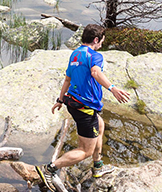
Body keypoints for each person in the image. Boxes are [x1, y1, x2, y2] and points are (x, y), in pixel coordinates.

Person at [41, 23, 130, 182]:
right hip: (85, 107)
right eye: (101, 40)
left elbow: (67, 79)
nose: (102, 44)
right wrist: (113, 88)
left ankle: (98, 167)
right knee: (85, 150)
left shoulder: (75, 54)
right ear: (96, 39)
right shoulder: (95, 56)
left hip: (73, 102)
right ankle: (49, 169)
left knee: (100, 125)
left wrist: (60, 100)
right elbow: (95, 72)